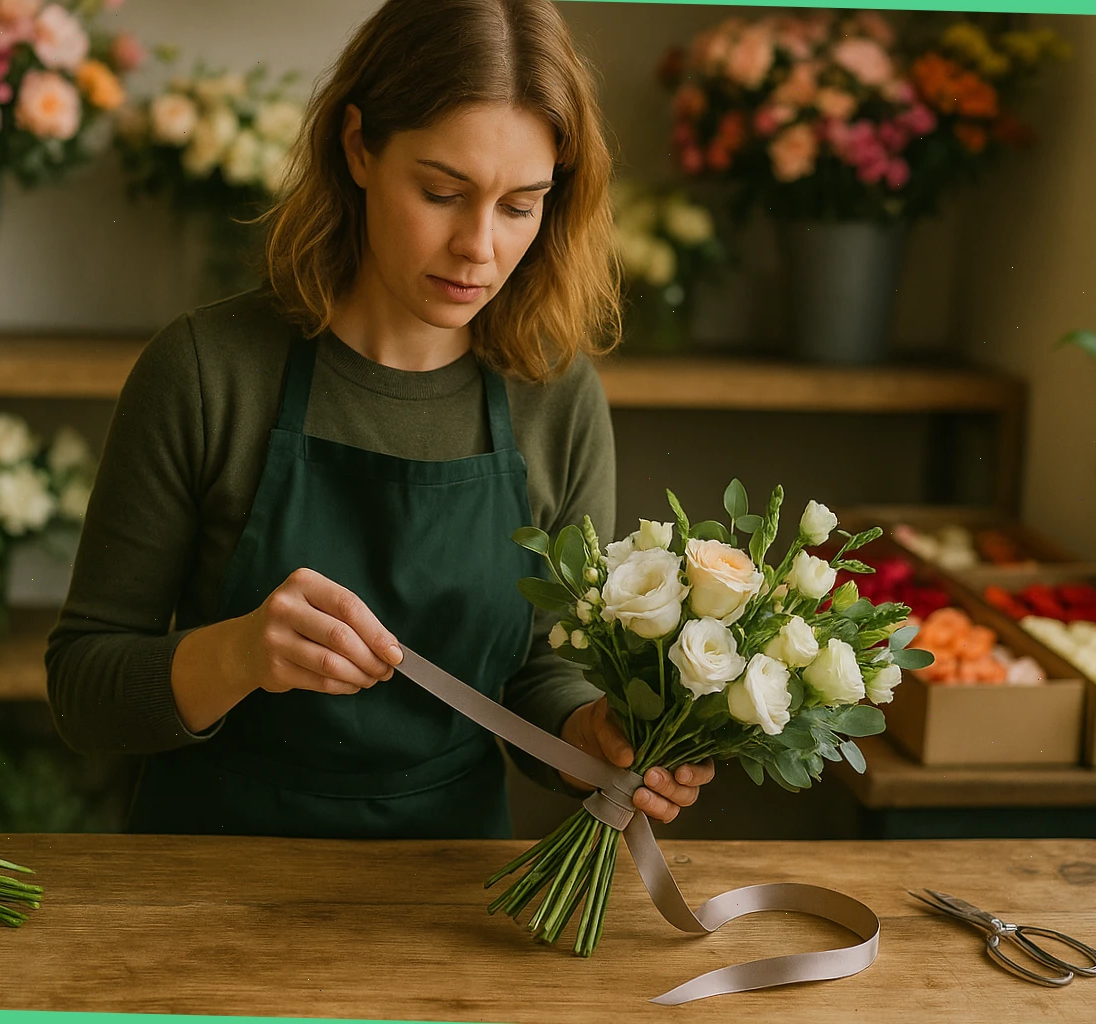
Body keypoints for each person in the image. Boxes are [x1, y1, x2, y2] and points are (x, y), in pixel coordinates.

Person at [45, 0, 715, 839]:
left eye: (520, 205)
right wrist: (241, 653)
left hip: (449, 885)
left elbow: (541, 671)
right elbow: (82, 692)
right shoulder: (206, 372)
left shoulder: (557, 396)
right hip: (205, 871)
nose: (480, 246)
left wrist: (595, 734)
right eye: (443, 192)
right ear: (359, 147)